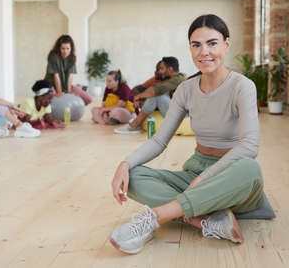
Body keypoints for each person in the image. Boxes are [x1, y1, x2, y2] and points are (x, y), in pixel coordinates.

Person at [109, 14, 263, 254]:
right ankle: (206, 220)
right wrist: (125, 164)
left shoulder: (242, 86)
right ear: (190, 48)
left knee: (251, 169)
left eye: (212, 43)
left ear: (226, 44)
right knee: (135, 176)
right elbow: (160, 140)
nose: (204, 52)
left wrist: (205, 178)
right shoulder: (186, 89)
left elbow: (250, 146)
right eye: (196, 45)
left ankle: (155, 217)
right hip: (196, 169)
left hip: (230, 173)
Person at [114, 57, 186, 134]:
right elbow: (146, 90)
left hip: (183, 114)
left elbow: (155, 90)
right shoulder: (170, 80)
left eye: (162, 68)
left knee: (157, 96)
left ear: (170, 69)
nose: (160, 71)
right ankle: (137, 124)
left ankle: (135, 124)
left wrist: (138, 97)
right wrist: (141, 99)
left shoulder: (179, 79)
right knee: (155, 96)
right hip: (176, 110)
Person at [44, 35, 92, 106]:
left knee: (88, 99)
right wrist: (60, 93)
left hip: (65, 86)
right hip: (51, 85)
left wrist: (69, 94)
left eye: (68, 48)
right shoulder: (53, 56)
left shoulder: (72, 58)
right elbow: (56, 76)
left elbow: (70, 77)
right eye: (63, 48)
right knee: (56, 100)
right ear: (59, 48)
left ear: (71, 48)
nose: (65, 51)